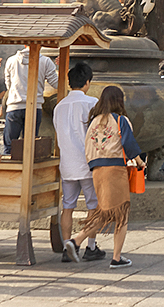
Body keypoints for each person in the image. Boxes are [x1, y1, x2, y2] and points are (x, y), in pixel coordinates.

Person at [67, 86, 143, 269]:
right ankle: (113, 256)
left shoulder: (93, 121)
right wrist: (140, 162)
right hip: (114, 170)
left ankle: (77, 241)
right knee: (120, 213)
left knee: (105, 211)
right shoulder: (120, 120)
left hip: (97, 170)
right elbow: (129, 145)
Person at [53, 61, 105, 263]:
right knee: (94, 206)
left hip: (67, 163)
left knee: (68, 206)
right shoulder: (91, 103)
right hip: (88, 162)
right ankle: (90, 246)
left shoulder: (59, 107)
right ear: (87, 82)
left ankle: (68, 246)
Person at [3, 45, 57, 155]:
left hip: (14, 106)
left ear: (24, 44)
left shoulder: (11, 60)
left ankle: (9, 170)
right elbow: (56, 83)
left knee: (9, 146)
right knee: (30, 146)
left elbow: (8, 85)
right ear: (41, 44)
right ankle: (28, 171)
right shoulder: (45, 61)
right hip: (34, 107)